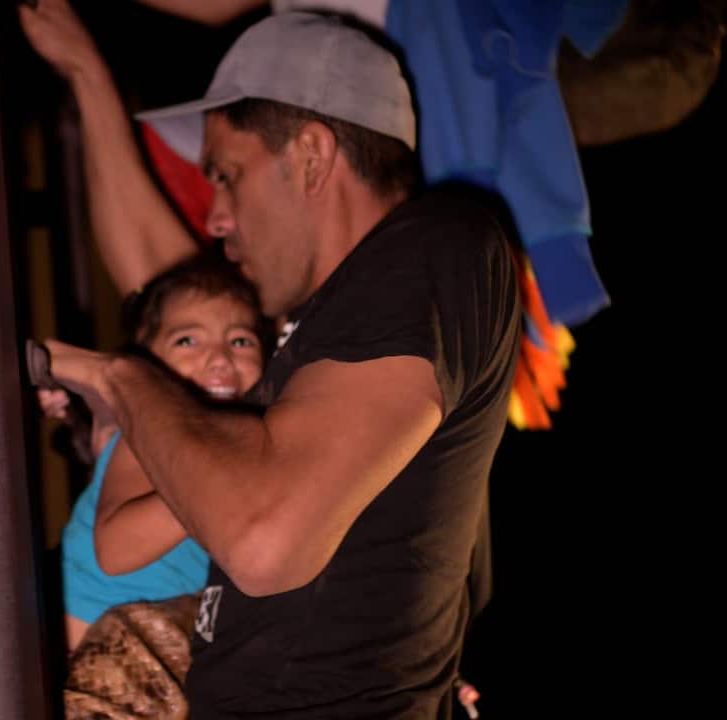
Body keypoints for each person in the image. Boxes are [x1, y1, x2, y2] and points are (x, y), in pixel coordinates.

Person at [35, 11, 522, 718]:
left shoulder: (433, 247)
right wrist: (86, 73)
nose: (215, 217)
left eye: (227, 177)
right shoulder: (312, 334)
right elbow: (164, 284)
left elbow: (264, 541)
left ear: (311, 156)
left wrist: (120, 376)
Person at [52, 252, 270, 651]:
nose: (220, 358)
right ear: (145, 365)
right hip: (80, 637)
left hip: (149, 645)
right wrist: (220, 478)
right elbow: (115, 551)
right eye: (188, 340)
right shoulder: (147, 437)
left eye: (241, 340)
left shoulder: (246, 438)